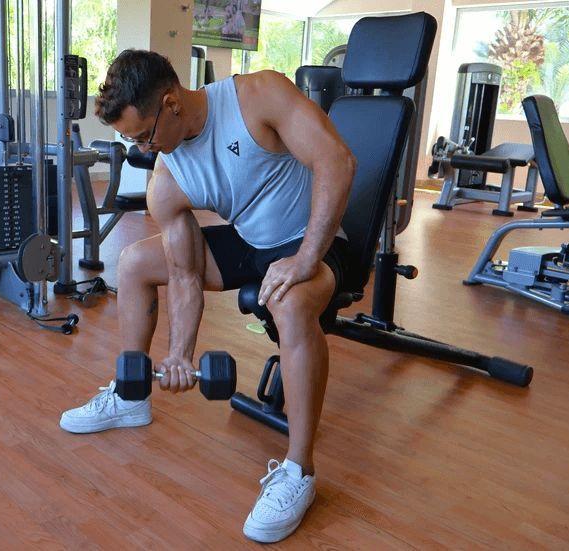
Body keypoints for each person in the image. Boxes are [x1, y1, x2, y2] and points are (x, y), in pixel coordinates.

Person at [59, 49, 356, 543]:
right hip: (251, 243)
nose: (144, 150)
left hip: (314, 241)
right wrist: (179, 354)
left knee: (290, 302)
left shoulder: (258, 96)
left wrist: (305, 259)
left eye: (143, 135)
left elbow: (337, 160)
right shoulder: (167, 179)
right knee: (134, 262)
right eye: (130, 140)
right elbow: (186, 273)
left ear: (171, 103)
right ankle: (132, 396)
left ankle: (298, 471)